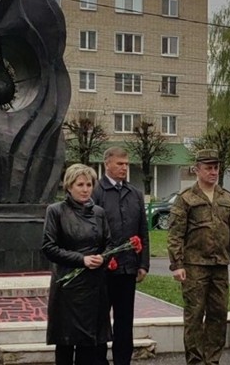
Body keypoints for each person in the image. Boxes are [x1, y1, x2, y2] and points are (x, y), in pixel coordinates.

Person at [168, 149, 230, 365]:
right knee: (194, 316)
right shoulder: (186, 198)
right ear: (197, 170)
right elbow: (175, 233)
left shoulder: (226, 197)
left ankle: (212, 360)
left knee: (218, 316)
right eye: (208, 168)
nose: (213, 172)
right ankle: (195, 361)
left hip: (220, 265)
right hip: (194, 266)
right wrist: (177, 264)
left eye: (216, 168)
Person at [42, 164, 112, 365]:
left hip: (94, 286)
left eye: (89, 184)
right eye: (80, 184)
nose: (85, 189)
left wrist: (103, 257)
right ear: (69, 186)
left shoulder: (99, 213)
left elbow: (109, 243)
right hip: (68, 287)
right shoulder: (56, 211)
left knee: (89, 344)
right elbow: (48, 247)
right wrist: (81, 259)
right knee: (66, 343)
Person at [92, 147, 150, 365]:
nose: (124, 168)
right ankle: (99, 360)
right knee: (100, 319)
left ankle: (122, 361)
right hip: (103, 268)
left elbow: (143, 230)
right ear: (107, 164)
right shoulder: (97, 191)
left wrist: (143, 263)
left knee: (125, 320)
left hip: (128, 268)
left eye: (126, 164)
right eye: (120, 164)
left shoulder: (134, 193)